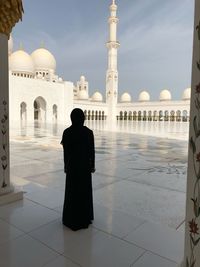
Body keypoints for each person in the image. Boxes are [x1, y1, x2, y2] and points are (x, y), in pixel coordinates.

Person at [61, 108, 95, 231]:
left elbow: (65, 153)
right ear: (83, 118)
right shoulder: (88, 132)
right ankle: (84, 217)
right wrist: (92, 166)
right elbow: (92, 151)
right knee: (84, 192)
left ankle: (71, 218)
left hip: (72, 168)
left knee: (72, 192)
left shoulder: (67, 132)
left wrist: (65, 166)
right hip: (85, 168)